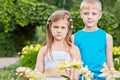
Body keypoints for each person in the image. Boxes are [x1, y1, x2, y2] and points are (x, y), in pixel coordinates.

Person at [73, 0, 114, 80]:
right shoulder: (74, 38)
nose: (89, 17)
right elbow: (73, 64)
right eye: (86, 13)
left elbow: (110, 64)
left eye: (94, 14)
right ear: (81, 14)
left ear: (100, 15)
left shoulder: (107, 37)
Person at [35, 10, 81, 80]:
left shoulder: (73, 49)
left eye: (63, 27)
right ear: (50, 28)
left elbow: (75, 74)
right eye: (56, 27)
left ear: (68, 29)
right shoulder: (44, 50)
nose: (59, 31)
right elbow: (38, 72)